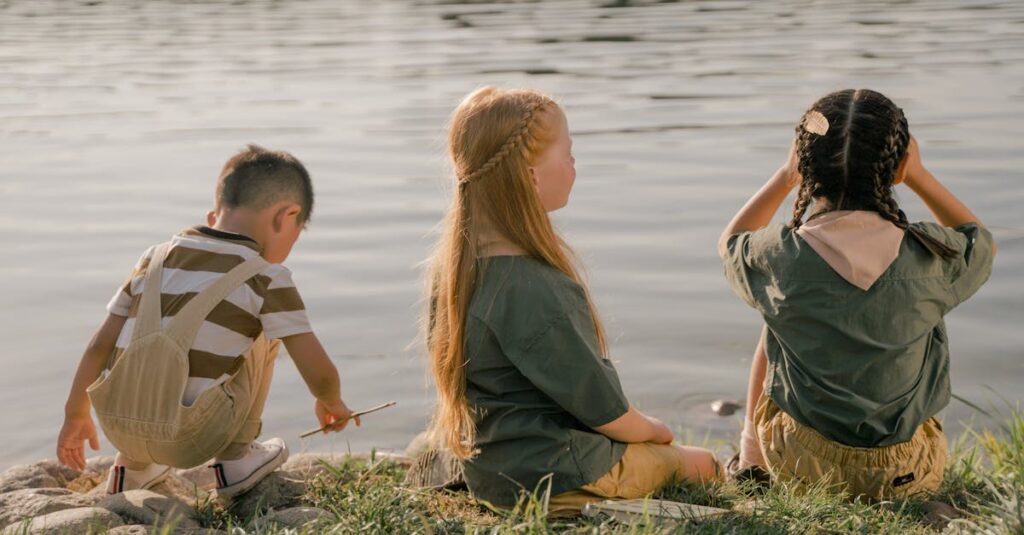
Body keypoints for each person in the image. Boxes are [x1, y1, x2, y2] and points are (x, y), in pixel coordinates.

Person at [425, 86, 721, 516]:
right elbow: (607, 414)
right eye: (568, 153)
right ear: (530, 175)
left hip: (492, 473)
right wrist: (655, 430)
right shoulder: (537, 287)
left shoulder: (454, 274)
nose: (574, 164)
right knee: (705, 464)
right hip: (554, 473)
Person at [720, 89, 995, 500]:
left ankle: (752, 462)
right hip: (908, 472)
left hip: (801, 466)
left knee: (775, 315)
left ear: (805, 163)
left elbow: (732, 242)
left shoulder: (780, 257)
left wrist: (783, 175)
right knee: (924, 304)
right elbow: (981, 241)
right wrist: (918, 175)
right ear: (896, 166)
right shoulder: (932, 253)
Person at [56, 145, 360, 500]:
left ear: (214, 214)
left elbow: (98, 345)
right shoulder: (267, 278)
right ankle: (235, 460)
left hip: (118, 426)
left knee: (145, 330)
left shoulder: (153, 258)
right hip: (194, 436)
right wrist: (331, 400)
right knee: (265, 333)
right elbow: (318, 370)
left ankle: (131, 467)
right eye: (296, 233)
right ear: (285, 217)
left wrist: (75, 414)